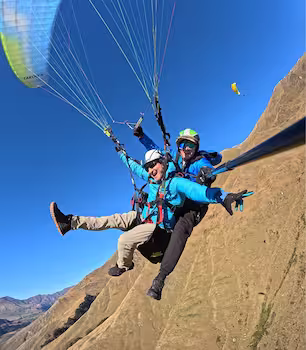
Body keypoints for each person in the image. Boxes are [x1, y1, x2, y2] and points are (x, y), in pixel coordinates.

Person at [50, 149, 250, 297]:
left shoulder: (176, 183)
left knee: (123, 241)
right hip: (142, 215)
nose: (151, 170)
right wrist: (120, 152)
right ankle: (69, 222)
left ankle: (124, 265)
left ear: (163, 163)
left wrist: (224, 197)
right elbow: (133, 165)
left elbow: (198, 192)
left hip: (157, 228)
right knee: (108, 220)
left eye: (154, 165)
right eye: (148, 167)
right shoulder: (151, 177)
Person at [133, 127, 223, 299]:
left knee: (182, 227)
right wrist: (142, 137)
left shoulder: (200, 161)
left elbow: (205, 167)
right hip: (176, 200)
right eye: (183, 144)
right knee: (153, 210)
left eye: (190, 145)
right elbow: (156, 149)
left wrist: (208, 174)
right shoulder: (175, 156)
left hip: (193, 205)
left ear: (196, 147)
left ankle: (160, 278)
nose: (185, 149)